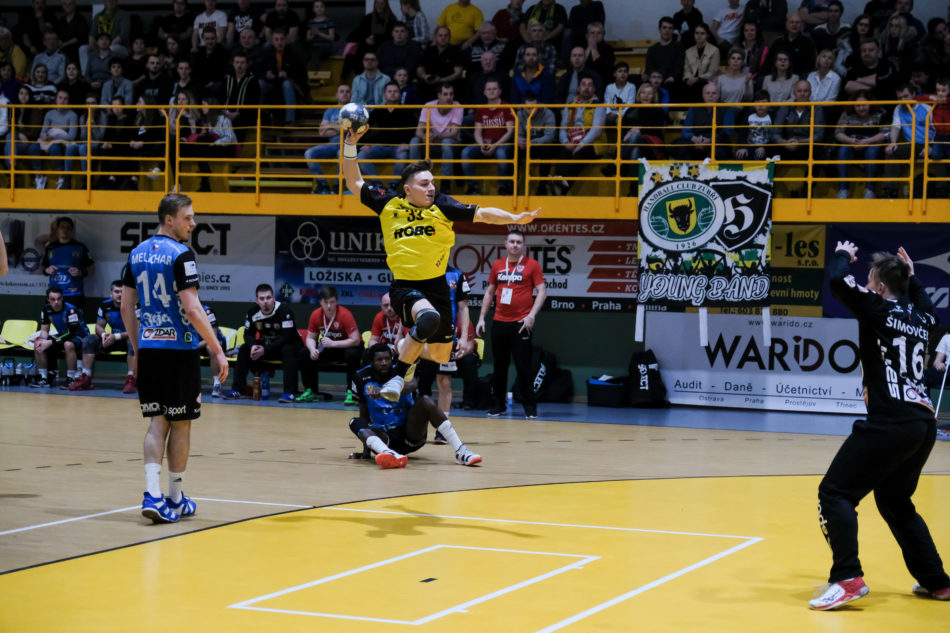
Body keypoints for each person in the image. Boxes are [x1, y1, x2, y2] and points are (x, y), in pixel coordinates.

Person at [340, 129, 539, 417]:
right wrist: (349, 144)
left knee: (440, 354)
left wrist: (515, 218)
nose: (431, 187)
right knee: (428, 317)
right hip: (405, 286)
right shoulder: (389, 204)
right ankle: (397, 375)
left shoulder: (442, 206)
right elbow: (353, 181)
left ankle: (405, 346)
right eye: (424, 183)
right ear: (408, 189)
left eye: (432, 182)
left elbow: (483, 213)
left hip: (437, 286)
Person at [809, 242, 950, 609]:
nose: (868, 287)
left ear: (881, 288)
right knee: (895, 501)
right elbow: (927, 308)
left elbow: (837, 281)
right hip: (922, 424)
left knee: (835, 493)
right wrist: (913, 278)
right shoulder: (923, 319)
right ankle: (937, 582)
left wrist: (843, 254)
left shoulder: (877, 308)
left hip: (891, 420)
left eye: (871, 281)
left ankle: (848, 578)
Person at [121, 193, 228, 524]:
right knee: (181, 422)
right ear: (169, 219)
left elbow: (126, 308)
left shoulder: (136, 254)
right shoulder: (182, 255)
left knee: (157, 422)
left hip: (150, 349)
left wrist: (138, 348)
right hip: (179, 350)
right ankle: (176, 497)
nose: (193, 223)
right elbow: (193, 309)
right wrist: (218, 349)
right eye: (188, 217)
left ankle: (153, 494)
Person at [348, 343, 481, 468]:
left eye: (387, 359)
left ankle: (461, 451)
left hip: (411, 433)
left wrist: (384, 391)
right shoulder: (360, 378)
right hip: (384, 438)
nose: (384, 363)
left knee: (425, 400)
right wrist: (366, 452)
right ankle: (389, 454)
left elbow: (412, 385)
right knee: (355, 422)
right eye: (379, 360)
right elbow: (364, 414)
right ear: (371, 362)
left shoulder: (401, 370)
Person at [476, 229, 546, 419]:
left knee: (524, 366)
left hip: (521, 323)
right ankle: (499, 405)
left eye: (518, 242)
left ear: (523, 245)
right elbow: (490, 292)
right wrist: (482, 318)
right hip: (499, 322)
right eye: (512, 241)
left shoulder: (532, 265)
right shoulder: (498, 265)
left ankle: (529, 407)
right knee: (500, 366)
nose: (515, 245)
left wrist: (531, 316)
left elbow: (542, 292)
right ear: (505, 244)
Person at [223, 283, 303, 403]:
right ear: (257, 300)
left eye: (268, 298)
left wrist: (264, 350)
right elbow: (248, 334)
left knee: (287, 350)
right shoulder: (252, 312)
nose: (265, 301)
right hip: (268, 345)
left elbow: (287, 337)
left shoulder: (285, 311)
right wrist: (253, 346)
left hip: (290, 344)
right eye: (262, 298)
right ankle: (237, 389)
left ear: (273, 298)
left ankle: (290, 393)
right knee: (244, 348)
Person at [416, 265, 479, 415]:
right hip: (423, 334)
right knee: (415, 379)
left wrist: (463, 338)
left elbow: (463, 308)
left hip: (446, 338)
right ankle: (414, 420)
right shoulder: (421, 270)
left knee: (444, 381)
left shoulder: (457, 275)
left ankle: (443, 423)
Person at [298, 285, 363, 405]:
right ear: (320, 302)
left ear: (336, 302)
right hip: (328, 348)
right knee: (305, 352)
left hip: (346, 347)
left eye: (332, 302)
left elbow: (356, 340)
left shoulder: (345, 314)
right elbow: (310, 338)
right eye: (326, 302)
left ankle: (352, 392)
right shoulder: (316, 315)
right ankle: (311, 391)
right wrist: (312, 349)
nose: (329, 306)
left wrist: (334, 343)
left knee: (352, 353)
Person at [72, 280, 136, 393]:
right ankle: (86, 377)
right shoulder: (104, 306)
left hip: (127, 339)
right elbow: (98, 326)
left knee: (133, 342)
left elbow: (136, 330)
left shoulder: (134, 306)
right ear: (111, 293)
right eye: (116, 292)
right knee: (89, 340)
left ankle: (131, 379)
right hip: (111, 340)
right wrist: (103, 335)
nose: (120, 294)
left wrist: (115, 336)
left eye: (122, 292)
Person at [551, 73, 605, 195]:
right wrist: (566, 142)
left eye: (590, 85)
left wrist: (581, 144)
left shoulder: (599, 105)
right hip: (573, 141)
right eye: (583, 85)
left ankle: (561, 190)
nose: (586, 87)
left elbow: (596, 130)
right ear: (578, 88)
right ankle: (558, 180)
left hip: (594, 144)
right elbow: (563, 128)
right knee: (564, 151)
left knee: (580, 153)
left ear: (594, 89)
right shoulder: (570, 105)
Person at [356, 81, 417, 189]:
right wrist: (364, 144)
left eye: (395, 91)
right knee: (361, 156)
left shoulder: (407, 111)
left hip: (398, 147)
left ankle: (393, 185)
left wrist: (407, 144)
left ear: (400, 94)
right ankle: (377, 184)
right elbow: (364, 128)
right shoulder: (377, 111)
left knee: (403, 157)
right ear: (384, 94)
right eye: (389, 91)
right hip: (378, 146)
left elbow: (414, 130)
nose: (392, 93)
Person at [461, 79, 515, 195]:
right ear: (485, 92)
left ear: (500, 91)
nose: (491, 91)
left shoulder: (506, 106)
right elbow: (477, 132)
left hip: (501, 144)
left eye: (494, 89)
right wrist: (482, 145)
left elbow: (510, 131)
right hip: (485, 143)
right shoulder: (481, 108)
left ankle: (503, 187)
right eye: (489, 89)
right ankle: (473, 187)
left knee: (501, 153)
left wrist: (494, 146)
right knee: (465, 152)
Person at [30, 285, 89, 389]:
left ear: (62, 298)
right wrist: (43, 341)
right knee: (38, 344)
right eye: (53, 299)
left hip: (80, 336)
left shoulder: (71, 310)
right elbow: (44, 330)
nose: (56, 302)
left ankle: (71, 378)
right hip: (63, 335)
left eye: (59, 298)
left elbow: (71, 333)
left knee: (68, 344)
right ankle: (44, 378)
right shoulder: (46, 310)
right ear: (48, 299)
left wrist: (51, 342)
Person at [833, 91, 887, 199]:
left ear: (870, 104)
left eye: (864, 105)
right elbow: (838, 133)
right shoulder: (847, 114)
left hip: (871, 144)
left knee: (872, 151)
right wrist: (850, 141)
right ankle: (843, 189)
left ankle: (870, 190)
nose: (861, 108)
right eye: (858, 105)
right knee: (843, 151)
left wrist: (868, 141)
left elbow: (885, 133)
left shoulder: (879, 113)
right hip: (852, 144)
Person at [408, 83, 462, 185]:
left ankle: (445, 182)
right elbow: (418, 131)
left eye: (451, 94)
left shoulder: (458, 106)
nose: (449, 97)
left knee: (446, 142)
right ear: (439, 95)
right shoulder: (428, 106)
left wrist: (437, 136)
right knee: (414, 141)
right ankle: (415, 178)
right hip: (432, 144)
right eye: (445, 94)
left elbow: (454, 133)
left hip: (451, 145)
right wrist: (424, 136)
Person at [42, 216, 94, 311]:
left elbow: (92, 269)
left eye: (68, 228)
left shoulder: (80, 247)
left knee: (75, 320)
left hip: (74, 294)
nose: (65, 230)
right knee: (53, 320)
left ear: (72, 230)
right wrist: (46, 270)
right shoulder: (50, 247)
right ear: (57, 230)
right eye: (62, 227)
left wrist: (81, 272)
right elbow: (43, 267)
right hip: (54, 295)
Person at [304, 83, 349, 194]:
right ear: (337, 95)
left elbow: (350, 129)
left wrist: (330, 126)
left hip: (348, 145)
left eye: (347, 91)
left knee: (341, 154)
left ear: (351, 94)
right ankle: (323, 185)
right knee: (309, 153)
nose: (344, 94)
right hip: (332, 145)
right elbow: (322, 132)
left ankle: (337, 187)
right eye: (341, 91)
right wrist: (341, 128)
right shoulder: (330, 110)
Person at [643, 17, 684, 88]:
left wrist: (673, 77)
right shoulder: (652, 49)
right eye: (664, 27)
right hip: (655, 81)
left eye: (670, 28)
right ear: (659, 29)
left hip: (672, 82)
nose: (667, 30)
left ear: (673, 30)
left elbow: (680, 67)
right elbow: (649, 68)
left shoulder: (679, 48)